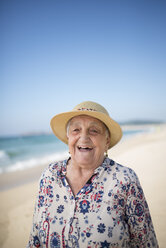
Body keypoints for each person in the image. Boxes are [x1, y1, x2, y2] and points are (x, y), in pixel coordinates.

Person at [27, 101, 158, 248]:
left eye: (94, 131)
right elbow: (35, 240)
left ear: (107, 141)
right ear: (68, 137)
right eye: (76, 130)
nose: (83, 137)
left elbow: (146, 242)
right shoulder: (50, 176)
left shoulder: (125, 180)